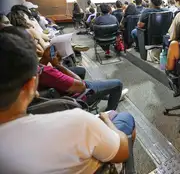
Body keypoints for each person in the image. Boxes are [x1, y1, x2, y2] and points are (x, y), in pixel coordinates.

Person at [0, 26, 136, 173]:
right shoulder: (77, 122)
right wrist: (106, 120)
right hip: (79, 94)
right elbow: (122, 151)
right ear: (31, 85)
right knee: (125, 117)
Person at [38, 46, 123, 111]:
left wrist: (44, 60)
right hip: (79, 95)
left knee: (81, 70)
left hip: (63, 91)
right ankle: (110, 111)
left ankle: (104, 94)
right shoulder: (47, 72)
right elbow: (82, 86)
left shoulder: (33, 71)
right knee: (118, 84)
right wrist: (58, 65)